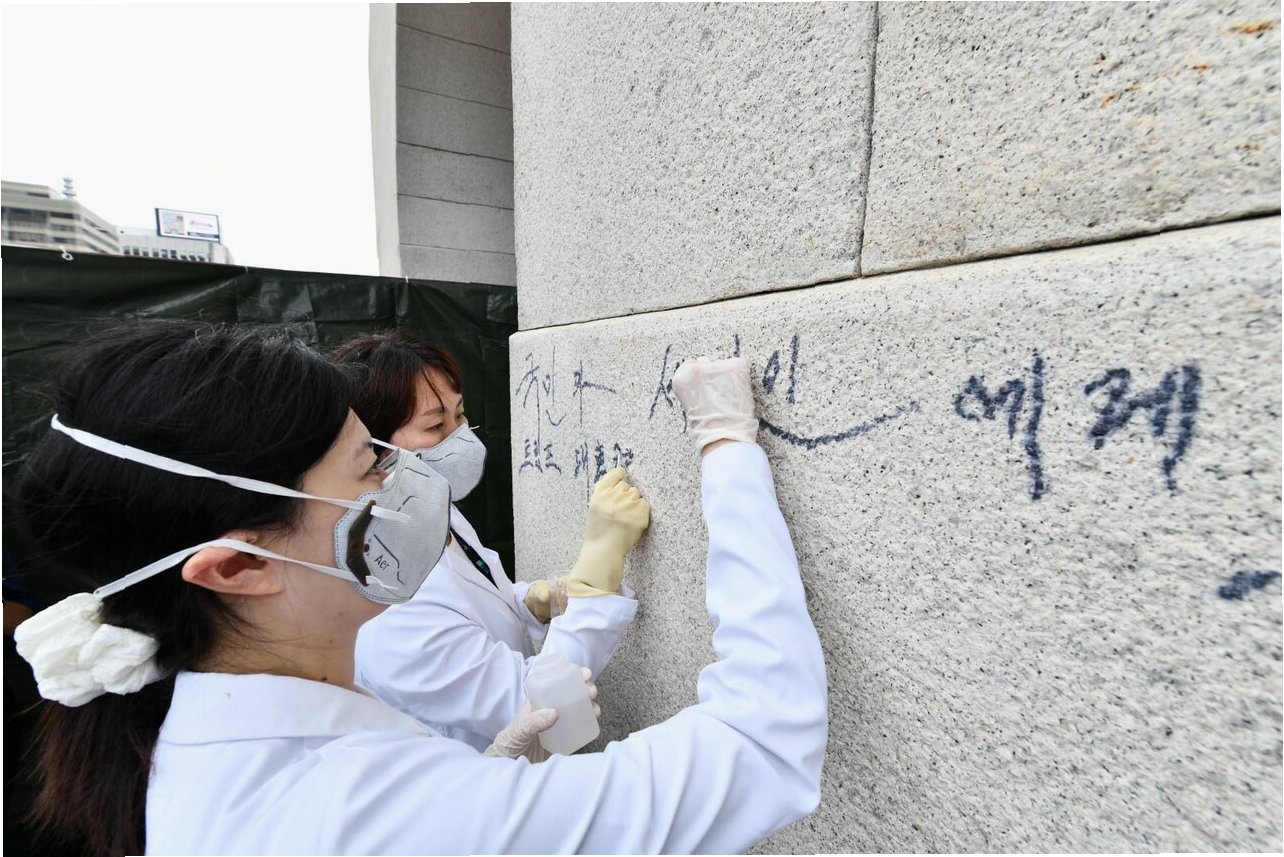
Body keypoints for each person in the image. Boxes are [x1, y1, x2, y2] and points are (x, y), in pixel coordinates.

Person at [15, 322, 828, 856]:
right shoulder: (365, 813)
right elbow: (763, 744)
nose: (406, 482)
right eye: (370, 466)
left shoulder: (226, 742)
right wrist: (727, 449)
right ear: (237, 567)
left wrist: (491, 762)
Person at [330, 333, 643, 752]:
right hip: (487, 776)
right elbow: (536, 704)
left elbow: (470, 596)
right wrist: (598, 569)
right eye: (436, 426)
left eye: (460, 415)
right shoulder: (390, 615)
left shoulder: (430, 511)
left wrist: (525, 602)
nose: (460, 437)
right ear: (372, 451)